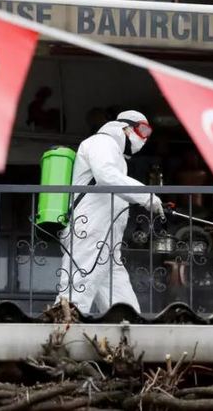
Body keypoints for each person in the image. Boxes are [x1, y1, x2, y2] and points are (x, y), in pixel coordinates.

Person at [58, 110, 164, 314]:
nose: (144, 138)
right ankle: (60, 337)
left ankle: (129, 337)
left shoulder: (115, 154)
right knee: (74, 297)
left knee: (124, 309)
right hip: (89, 232)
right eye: (142, 130)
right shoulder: (102, 142)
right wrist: (146, 196)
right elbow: (106, 176)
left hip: (106, 242)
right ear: (124, 127)